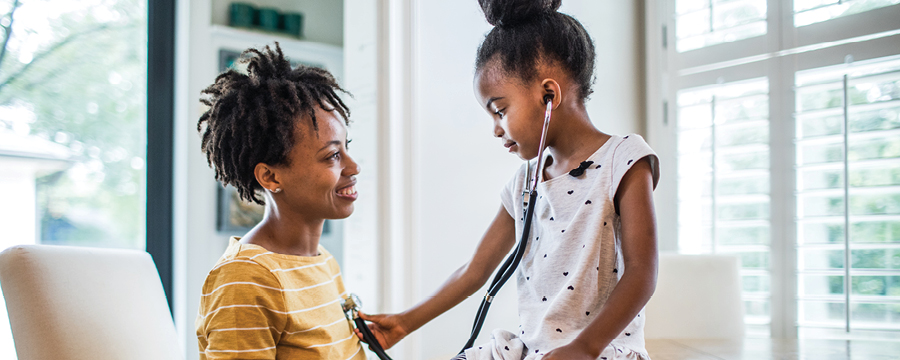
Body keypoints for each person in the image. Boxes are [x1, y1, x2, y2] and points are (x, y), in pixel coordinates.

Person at [358, 1, 659, 359]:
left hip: (599, 349)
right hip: (529, 350)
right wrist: (404, 323)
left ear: (550, 95)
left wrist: (584, 347)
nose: (497, 129)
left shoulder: (622, 160)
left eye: (500, 111)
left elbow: (642, 272)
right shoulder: (524, 184)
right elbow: (474, 271)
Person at [195, 43, 366, 360]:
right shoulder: (244, 279)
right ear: (271, 178)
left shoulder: (322, 261)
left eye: (347, 147)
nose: (354, 167)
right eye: (332, 156)